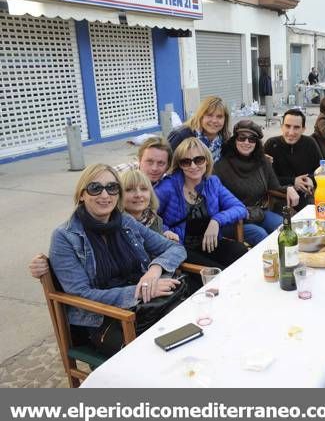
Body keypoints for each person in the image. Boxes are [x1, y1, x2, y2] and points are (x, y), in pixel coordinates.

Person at [48, 164, 186, 356]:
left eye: (112, 188)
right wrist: (140, 291)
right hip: (103, 318)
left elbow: (175, 248)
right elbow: (81, 294)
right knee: (154, 353)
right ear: (82, 195)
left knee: (188, 330)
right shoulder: (65, 237)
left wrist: (154, 271)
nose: (105, 195)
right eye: (95, 188)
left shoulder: (126, 221)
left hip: (146, 305)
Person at [155, 138, 248, 269]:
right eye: (186, 162)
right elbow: (148, 218)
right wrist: (165, 231)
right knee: (216, 272)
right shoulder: (168, 187)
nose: (193, 166)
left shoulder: (212, 182)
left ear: (207, 160)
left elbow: (240, 208)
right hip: (182, 248)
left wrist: (216, 221)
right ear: (179, 165)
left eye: (199, 160)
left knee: (241, 253)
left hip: (210, 244)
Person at [214, 120, 299, 246]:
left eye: (252, 139)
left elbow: (274, 186)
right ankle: (270, 263)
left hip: (258, 213)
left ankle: (289, 259)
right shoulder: (221, 166)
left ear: (256, 143)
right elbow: (216, 202)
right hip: (233, 220)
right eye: (242, 138)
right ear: (235, 140)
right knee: (260, 234)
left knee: (285, 227)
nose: (246, 142)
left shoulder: (262, 161)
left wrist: (289, 189)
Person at [264, 109, 322, 209]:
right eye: (287, 126)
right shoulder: (271, 144)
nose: (291, 132)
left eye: (296, 127)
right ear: (282, 127)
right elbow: (266, 178)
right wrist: (293, 181)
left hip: (308, 195)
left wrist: (311, 179)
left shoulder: (310, 143)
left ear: (303, 129)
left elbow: (322, 170)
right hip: (280, 198)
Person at [168, 96, 231, 163]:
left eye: (219, 116)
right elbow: (167, 166)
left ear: (225, 119)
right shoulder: (181, 136)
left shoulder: (226, 141)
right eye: (209, 115)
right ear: (201, 116)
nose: (214, 120)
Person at [120, 170, 179, 241]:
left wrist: (167, 241)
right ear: (119, 195)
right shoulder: (115, 224)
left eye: (143, 189)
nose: (138, 195)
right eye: (129, 190)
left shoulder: (156, 220)